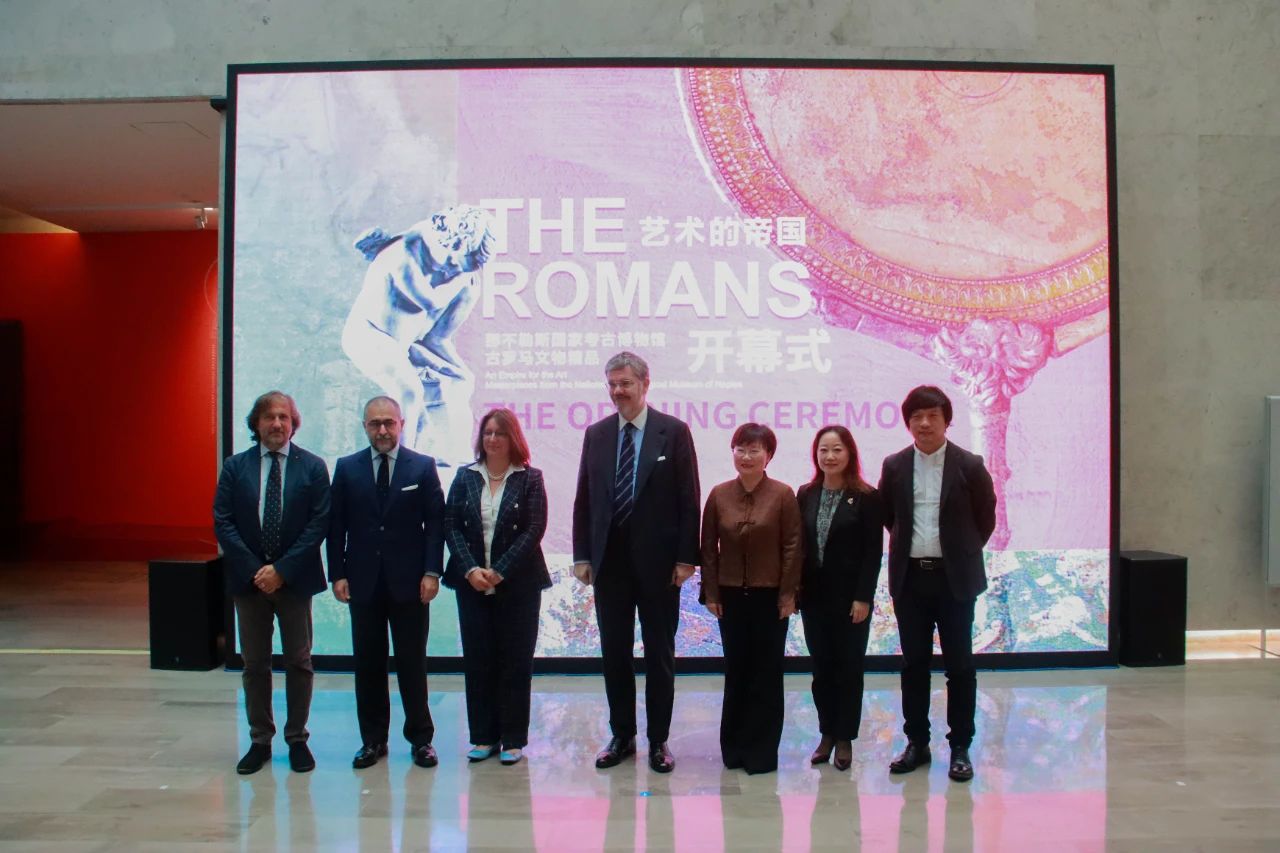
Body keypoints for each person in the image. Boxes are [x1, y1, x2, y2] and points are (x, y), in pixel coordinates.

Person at [572, 351, 701, 773]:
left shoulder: (673, 431)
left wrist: (686, 558)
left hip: (660, 565)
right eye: (612, 384)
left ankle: (659, 739)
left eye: (625, 383)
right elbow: (585, 498)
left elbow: (689, 499)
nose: (618, 391)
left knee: (660, 652)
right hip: (610, 563)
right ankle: (622, 735)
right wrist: (582, 555)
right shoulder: (597, 434)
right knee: (614, 652)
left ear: (645, 384)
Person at [879, 385, 997, 782]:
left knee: (960, 666)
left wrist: (960, 552)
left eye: (932, 415)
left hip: (954, 581)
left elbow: (985, 518)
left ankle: (960, 745)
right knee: (913, 665)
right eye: (917, 417)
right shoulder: (895, 465)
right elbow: (890, 517)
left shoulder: (970, 465)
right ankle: (917, 743)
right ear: (908, 423)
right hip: (911, 580)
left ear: (947, 420)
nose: (925, 423)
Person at [213, 390, 331, 775]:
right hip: (250, 584)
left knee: (299, 661)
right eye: (269, 417)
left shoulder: (312, 468)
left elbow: (318, 524)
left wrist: (281, 569)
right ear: (256, 424)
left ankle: (297, 739)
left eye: (284, 417)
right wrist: (257, 570)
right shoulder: (236, 467)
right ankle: (259, 740)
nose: (277, 424)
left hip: (294, 581)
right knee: (254, 664)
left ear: (293, 423)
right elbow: (223, 521)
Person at [326, 396, 445, 770]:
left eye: (388, 423)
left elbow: (436, 524)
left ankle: (421, 740)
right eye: (375, 423)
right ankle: (372, 740)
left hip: (411, 583)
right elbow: (335, 526)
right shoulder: (347, 468)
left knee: (413, 663)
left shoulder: (422, 466)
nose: (382, 430)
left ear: (401, 424)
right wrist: (337, 573)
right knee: (368, 664)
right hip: (362, 582)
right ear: (364, 426)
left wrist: (432, 572)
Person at [343, 204, 496, 464]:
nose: (454, 273)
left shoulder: (464, 278)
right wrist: (461, 279)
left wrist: (451, 368)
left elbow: (437, 337)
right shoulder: (404, 252)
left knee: (461, 379)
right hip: (368, 335)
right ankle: (400, 466)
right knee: (410, 390)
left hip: (408, 344)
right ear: (451, 242)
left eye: (462, 270)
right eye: (454, 264)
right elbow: (430, 301)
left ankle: (447, 454)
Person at [443, 408, 550, 766]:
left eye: (500, 433)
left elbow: (534, 529)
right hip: (471, 584)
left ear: (512, 438)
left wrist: (500, 571)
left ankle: (513, 739)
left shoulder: (530, 478)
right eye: (487, 432)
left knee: (515, 662)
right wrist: (470, 569)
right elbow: (451, 525)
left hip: (519, 585)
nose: (492, 439)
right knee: (479, 661)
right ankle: (483, 737)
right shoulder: (465, 476)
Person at [700, 423, 802, 775]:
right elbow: (707, 549)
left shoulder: (783, 495)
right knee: (737, 672)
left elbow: (792, 547)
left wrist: (788, 594)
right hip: (730, 596)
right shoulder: (718, 495)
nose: (746, 456)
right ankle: (734, 749)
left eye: (754, 450)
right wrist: (711, 592)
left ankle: (762, 753)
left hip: (770, 596)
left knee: (767, 674)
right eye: (740, 449)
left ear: (768, 455)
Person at [796, 426, 883, 771]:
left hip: (850, 600)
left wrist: (863, 597)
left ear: (850, 454)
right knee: (822, 669)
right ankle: (826, 733)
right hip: (814, 598)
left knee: (849, 668)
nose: (830, 456)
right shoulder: (806, 493)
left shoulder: (866, 496)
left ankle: (845, 737)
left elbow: (872, 553)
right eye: (823, 450)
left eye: (837, 450)